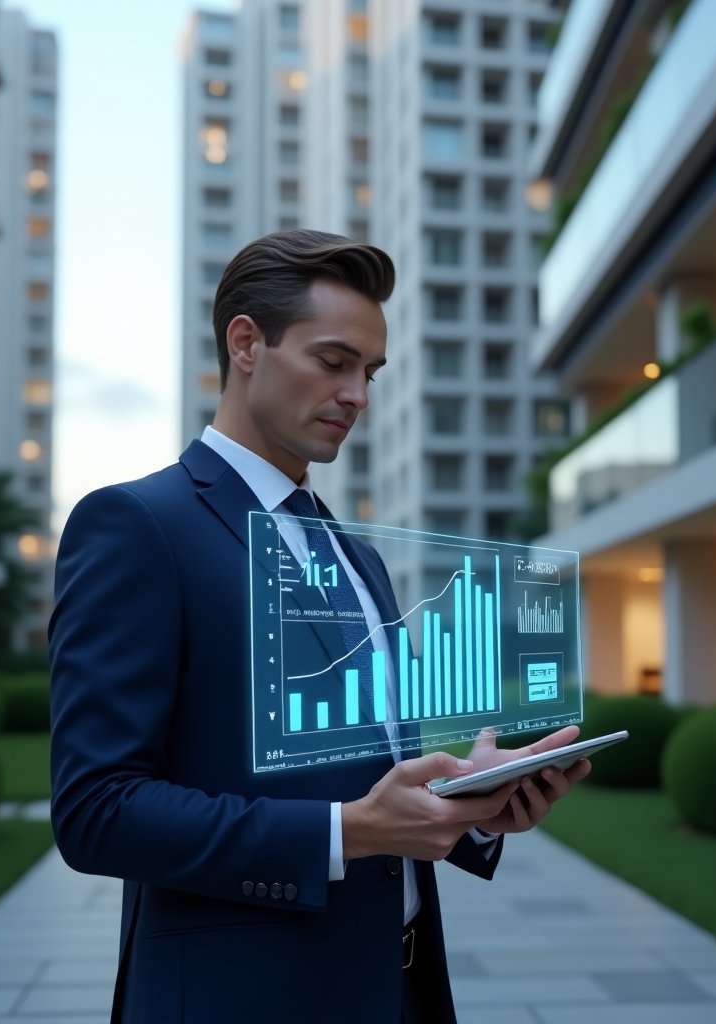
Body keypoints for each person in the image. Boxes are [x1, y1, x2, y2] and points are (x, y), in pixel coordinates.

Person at [49, 230, 591, 1024]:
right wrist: (349, 832)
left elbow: (375, 770)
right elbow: (97, 809)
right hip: (244, 996)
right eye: (333, 362)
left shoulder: (359, 557)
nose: (358, 396)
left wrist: (470, 800)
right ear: (246, 344)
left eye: (369, 373)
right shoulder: (138, 525)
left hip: (400, 986)